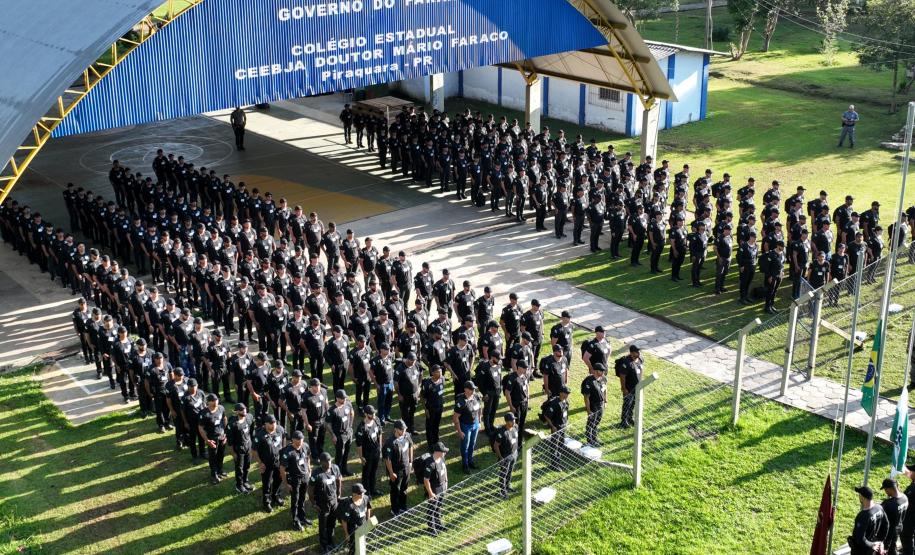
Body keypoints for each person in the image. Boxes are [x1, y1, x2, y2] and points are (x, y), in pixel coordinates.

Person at [310, 451, 343, 553]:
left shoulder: (335, 468)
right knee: (323, 525)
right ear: (321, 462)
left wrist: (339, 493)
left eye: (329, 460)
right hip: (322, 503)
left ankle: (331, 541)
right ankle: (324, 545)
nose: (328, 463)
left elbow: (339, 479)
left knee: (332, 522)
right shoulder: (316, 474)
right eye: (326, 461)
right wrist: (313, 503)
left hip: (334, 501)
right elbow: (310, 489)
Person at [252, 414, 286, 513]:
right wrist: (260, 463)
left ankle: (275, 496)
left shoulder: (280, 429)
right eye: (271, 423)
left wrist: (283, 453)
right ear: (265, 424)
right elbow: (254, 451)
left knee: (278, 479)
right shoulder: (260, 435)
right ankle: (266, 502)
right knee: (266, 483)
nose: (273, 425)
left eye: (274, 422)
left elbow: (283, 438)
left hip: (278, 461)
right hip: (266, 464)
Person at [280, 430, 313, 531]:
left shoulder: (305, 446)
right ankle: (295, 520)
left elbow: (307, 457)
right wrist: (286, 484)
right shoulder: (287, 452)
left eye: (302, 440)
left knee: (302, 498)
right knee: (295, 500)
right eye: (298, 440)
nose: (300, 442)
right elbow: (282, 469)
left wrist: (309, 468)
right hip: (294, 479)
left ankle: (302, 517)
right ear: (293, 440)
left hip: (305, 477)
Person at [382, 419, 413, 515]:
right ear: (396, 429)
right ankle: (394, 509)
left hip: (406, 467)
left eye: (404, 429)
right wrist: (391, 472)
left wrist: (411, 461)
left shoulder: (407, 436)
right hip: (396, 470)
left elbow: (411, 446)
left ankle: (403, 506)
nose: (404, 431)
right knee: (395, 490)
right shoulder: (390, 443)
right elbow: (387, 459)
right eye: (401, 429)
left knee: (404, 488)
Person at [848, 485, 889, 555]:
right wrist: (880, 541)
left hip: (862, 550)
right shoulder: (879, 508)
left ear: (862, 497)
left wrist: (872, 545)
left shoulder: (863, 516)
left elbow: (860, 539)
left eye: (859, 495)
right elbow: (886, 525)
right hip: (873, 548)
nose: (859, 497)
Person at [197, 393, 228, 485]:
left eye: (217, 400)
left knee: (221, 454)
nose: (215, 402)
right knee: (213, 456)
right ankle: (213, 474)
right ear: (208, 402)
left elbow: (224, 418)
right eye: (213, 401)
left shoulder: (221, 408)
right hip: (212, 438)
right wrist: (207, 440)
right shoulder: (204, 413)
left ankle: (220, 470)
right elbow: (200, 427)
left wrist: (225, 432)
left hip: (221, 436)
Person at [453, 380, 483, 472]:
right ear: (465, 389)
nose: (473, 391)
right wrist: (459, 431)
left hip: (475, 424)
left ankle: (470, 461)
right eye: (471, 389)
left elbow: (480, 408)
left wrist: (479, 421)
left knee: (472, 444)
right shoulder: (461, 402)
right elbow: (455, 418)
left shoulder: (476, 397)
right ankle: (465, 464)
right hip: (466, 426)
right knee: (465, 445)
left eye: (473, 389)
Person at [354, 404, 383, 496]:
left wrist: (380, 447)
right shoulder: (361, 428)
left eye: (374, 413)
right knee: (366, 473)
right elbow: (359, 444)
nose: (373, 416)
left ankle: (372, 489)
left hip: (376, 451)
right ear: (366, 414)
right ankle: (367, 492)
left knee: (373, 471)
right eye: (371, 414)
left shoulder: (377, 420)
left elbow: (380, 433)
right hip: (367, 454)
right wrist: (361, 457)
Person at [226, 402, 255, 494]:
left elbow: (252, 428)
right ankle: (239, 485)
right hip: (239, 449)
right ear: (237, 412)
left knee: (247, 466)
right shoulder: (233, 424)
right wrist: (233, 453)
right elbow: (230, 442)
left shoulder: (249, 417)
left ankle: (245, 481)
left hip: (248, 446)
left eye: (245, 409)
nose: (244, 411)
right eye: (242, 410)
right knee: (240, 468)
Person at [541, 385, 571, 470]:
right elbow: (546, 415)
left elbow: (566, 414)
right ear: (561, 393)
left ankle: (558, 462)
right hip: (556, 427)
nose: (567, 395)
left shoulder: (566, 402)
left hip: (563, 427)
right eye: (565, 393)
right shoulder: (554, 403)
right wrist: (552, 426)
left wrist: (566, 423)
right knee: (554, 445)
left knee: (560, 444)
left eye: (568, 394)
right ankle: (553, 465)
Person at [327, 389, 355, 476]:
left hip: (348, 433)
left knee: (346, 452)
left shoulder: (347, 404)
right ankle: (337, 472)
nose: (345, 399)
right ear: (337, 399)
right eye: (343, 398)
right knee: (340, 454)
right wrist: (333, 435)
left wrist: (350, 426)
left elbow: (352, 413)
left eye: (345, 398)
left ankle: (344, 469)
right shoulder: (332, 410)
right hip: (339, 435)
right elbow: (327, 424)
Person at [423, 442, 449, 536]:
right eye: (443, 451)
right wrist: (430, 493)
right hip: (434, 489)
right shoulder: (430, 464)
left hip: (442, 486)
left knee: (439, 507)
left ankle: (438, 524)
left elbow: (444, 468)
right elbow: (426, 480)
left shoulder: (441, 458)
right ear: (438, 452)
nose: (445, 453)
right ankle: (431, 527)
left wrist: (446, 482)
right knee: (432, 508)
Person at [338, 483, 372, 554]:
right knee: (353, 548)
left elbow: (368, 508)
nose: (362, 494)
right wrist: (347, 534)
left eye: (363, 492)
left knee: (362, 543)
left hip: (363, 525)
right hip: (353, 529)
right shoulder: (349, 506)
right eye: (360, 493)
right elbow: (344, 520)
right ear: (354, 494)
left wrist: (368, 520)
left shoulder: (365, 498)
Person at [615, 345, 643, 429]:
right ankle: (624, 421)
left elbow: (641, 369)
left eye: (639, 351)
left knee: (633, 404)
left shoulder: (640, 359)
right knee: (627, 404)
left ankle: (630, 418)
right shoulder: (626, 362)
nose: (639, 353)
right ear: (631, 353)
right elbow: (622, 375)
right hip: (629, 388)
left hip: (637, 388)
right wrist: (624, 388)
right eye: (636, 352)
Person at [493, 413, 519, 498]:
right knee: (503, 473)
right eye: (512, 420)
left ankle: (507, 486)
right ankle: (502, 490)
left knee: (510, 471)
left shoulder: (515, 427)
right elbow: (496, 445)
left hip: (514, 454)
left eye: (514, 419)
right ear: (507, 421)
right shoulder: (502, 433)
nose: (514, 421)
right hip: (505, 456)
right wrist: (500, 458)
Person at [581, 363, 607, 446]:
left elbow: (605, 389)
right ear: (595, 371)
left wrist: (605, 401)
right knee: (591, 423)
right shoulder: (589, 381)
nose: (603, 372)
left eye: (603, 370)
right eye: (601, 370)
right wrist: (589, 410)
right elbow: (586, 397)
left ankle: (595, 438)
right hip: (593, 405)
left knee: (597, 422)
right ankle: (589, 441)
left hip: (601, 404)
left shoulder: (603, 379)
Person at [421, 364, 447, 445]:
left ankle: (436, 439)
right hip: (431, 408)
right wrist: (426, 410)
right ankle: (430, 443)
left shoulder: (442, 379)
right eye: (438, 372)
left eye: (441, 371)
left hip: (439, 407)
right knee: (430, 426)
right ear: (432, 373)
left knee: (436, 424)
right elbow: (422, 397)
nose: (441, 373)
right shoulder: (427, 384)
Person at [883, 478, 909, 555]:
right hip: (900, 527)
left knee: (888, 550)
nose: (885, 491)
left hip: (890, 532)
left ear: (890, 489)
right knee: (893, 546)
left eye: (885, 489)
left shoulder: (889, 504)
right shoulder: (905, 497)